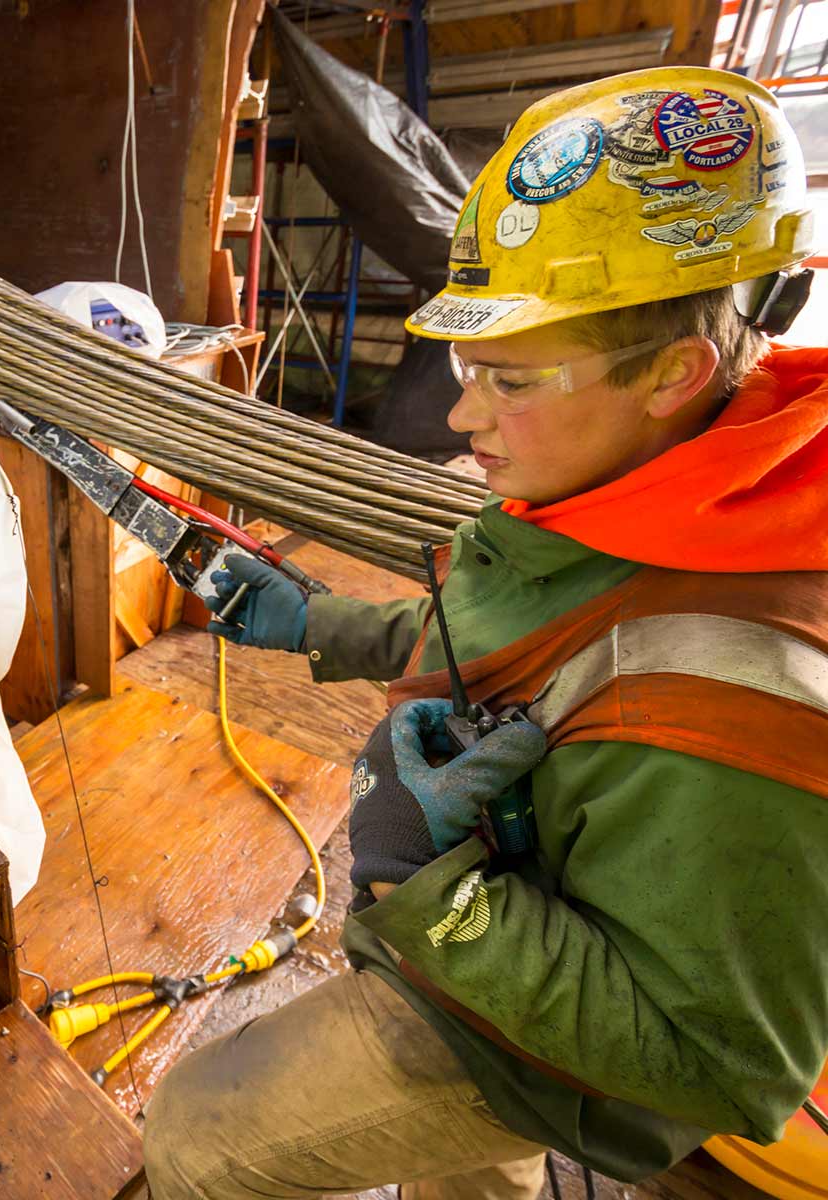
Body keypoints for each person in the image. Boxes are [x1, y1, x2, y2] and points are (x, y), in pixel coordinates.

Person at [142, 66, 828, 1199]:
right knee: (467, 1178)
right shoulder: (669, 478)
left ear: (675, 371)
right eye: (467, 367)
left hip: (530, 1007)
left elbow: (722, 1071)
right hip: (512, 916)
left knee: (200, 1129)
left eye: (506, 379)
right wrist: (320, 623)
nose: (463, 416)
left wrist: (434, 891)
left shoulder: (742, 702)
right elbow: (519, 637)